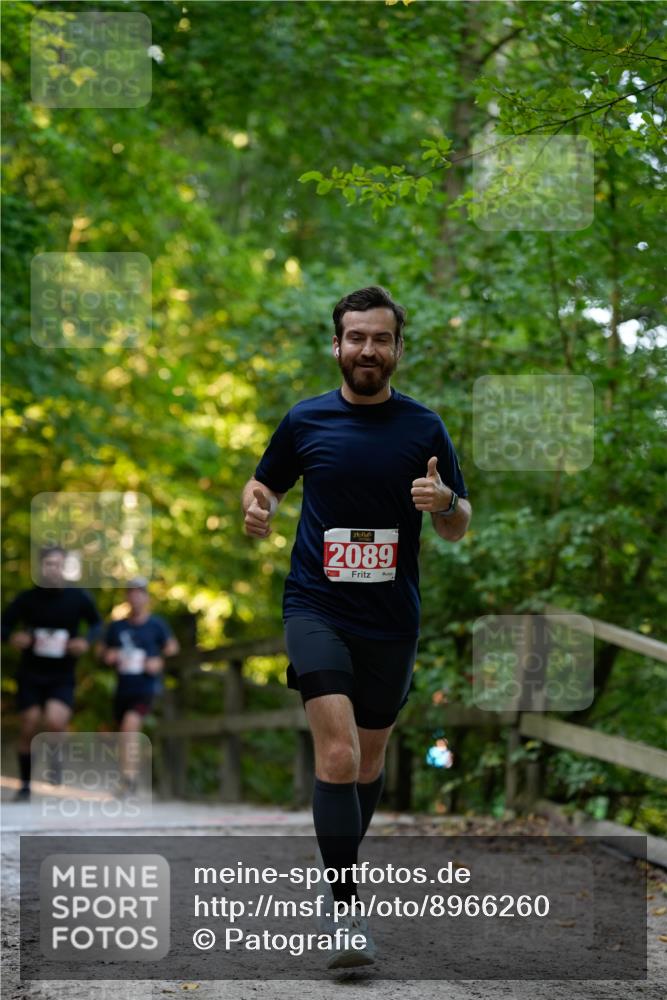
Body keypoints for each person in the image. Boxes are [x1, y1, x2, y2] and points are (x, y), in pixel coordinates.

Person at [241, 285, 471, 968]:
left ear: (397, 348)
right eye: (356, 337)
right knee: (338, 755)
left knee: (368, 761)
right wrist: (257, 505)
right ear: (336, 345)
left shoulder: (423, 428)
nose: (368, 349)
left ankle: (334, 870)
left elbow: (458, 525)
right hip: (315, 605)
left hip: (391, 619)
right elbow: (264, 483)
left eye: (380, 339)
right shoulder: (305, 420)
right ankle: (344, 912)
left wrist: (444, 500)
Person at [1, 546, 102, 801]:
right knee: (29, 724)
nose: (53, 569)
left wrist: (85, 641)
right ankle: (25, 785)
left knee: (56, 722)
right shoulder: (27, 598)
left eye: (58, 564)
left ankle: (56, 758)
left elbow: (97, 624)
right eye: (49, 564)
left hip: (62, 675)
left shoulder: (78, 597)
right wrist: (13, 637)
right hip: (31, 674)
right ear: (41, 568)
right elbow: (4, 625)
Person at [99, 577, 179, 794]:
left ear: (146, 597)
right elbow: (101, 651)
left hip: (146, 688)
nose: (135, 597)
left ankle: (130, 780)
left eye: (139, 593)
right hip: (123, 687)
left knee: (130, 727)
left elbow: (173, 648)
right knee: (123, 734)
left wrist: (159, 661)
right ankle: (127, 776)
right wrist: (109, 655)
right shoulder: (117, 626)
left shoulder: (156, 625)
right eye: (131, 592)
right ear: (126, 596)